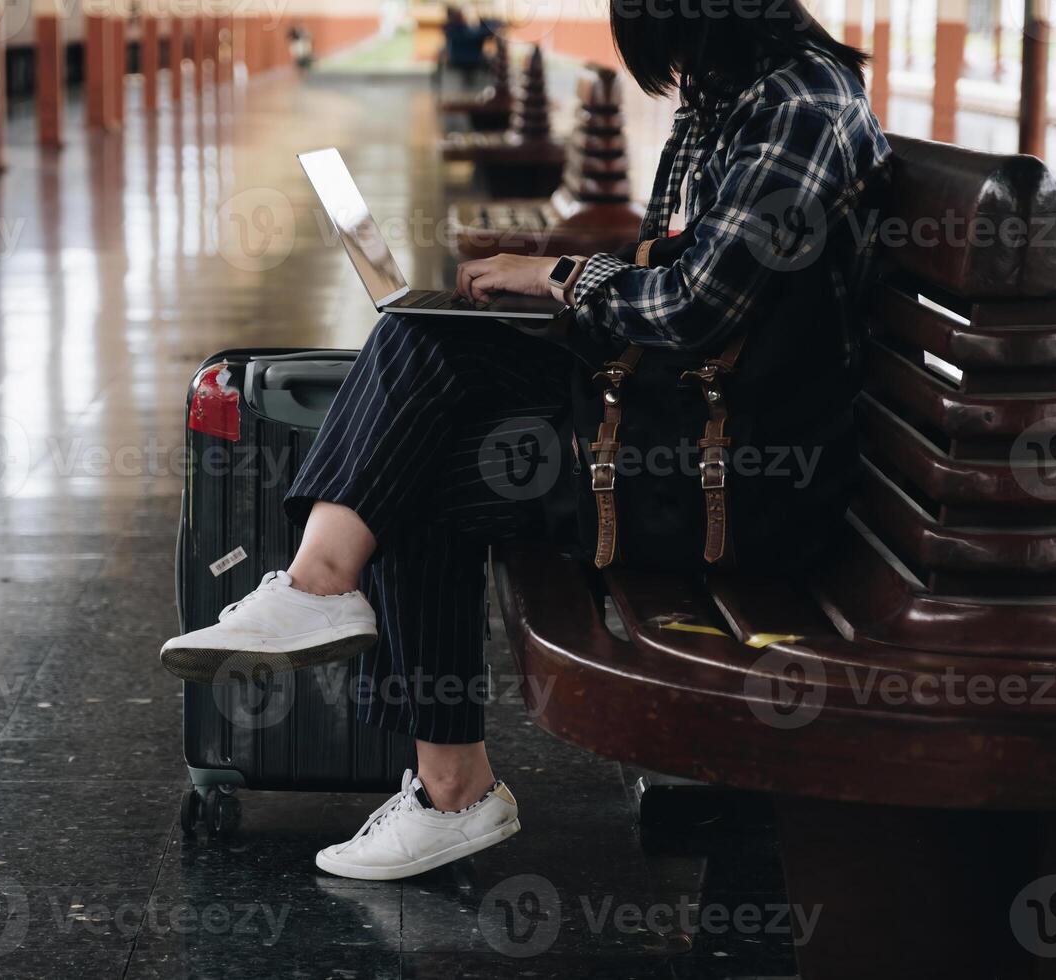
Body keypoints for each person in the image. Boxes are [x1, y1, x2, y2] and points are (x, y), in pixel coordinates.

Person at [162, 0, 891, 881]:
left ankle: (451, 789)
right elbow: (670, 274)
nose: (656, 58)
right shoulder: (733, 97)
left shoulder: (798, 110)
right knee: (422, 333)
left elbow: (696, 308)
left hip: (739, 470)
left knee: (416, 476)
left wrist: (558, 276)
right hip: (683, 410)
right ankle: (324, 586)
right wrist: (536, 286)